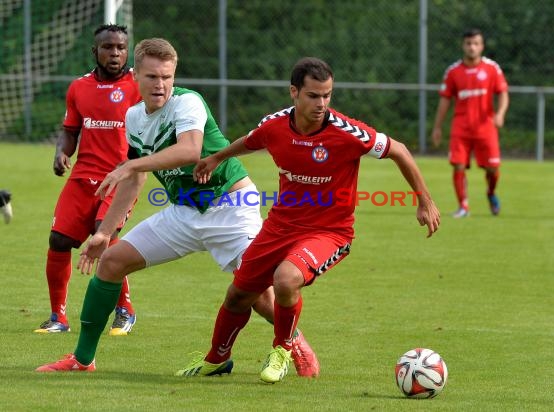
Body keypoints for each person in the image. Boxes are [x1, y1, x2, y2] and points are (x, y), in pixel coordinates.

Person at [35, 38, 319, 377]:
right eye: (152, 77)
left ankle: (295, 342)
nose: (161, 84)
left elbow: (189, 151)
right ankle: (82, 360)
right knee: (110, 261)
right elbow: (134, 181)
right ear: (136, 76)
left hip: (230, 206)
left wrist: (132, 165)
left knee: (257, 295)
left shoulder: (188, 102)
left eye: (167, 76)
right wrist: (104, 232)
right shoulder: (134, 117)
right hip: (183, 213)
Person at [178, 57, 441, 383]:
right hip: (280, 226)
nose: (322, 104)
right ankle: (217, 358)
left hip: (329, 232)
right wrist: (217, 157)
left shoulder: (347, 132)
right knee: (237, 295)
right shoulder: (275, 126)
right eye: (314, 96)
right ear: (294, 93)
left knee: (285, 280)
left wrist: (424, 200)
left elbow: (398, 150)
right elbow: (250, 142)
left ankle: (282, 349)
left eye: (327, 95)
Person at [35, 24, 141, 335]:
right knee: (58, 240)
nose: (116, 53)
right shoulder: (78, 87)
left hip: (119, 177)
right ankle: (58, 317)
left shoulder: (138, 85)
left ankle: (125, 310)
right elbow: (70, 131)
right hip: (82, 177)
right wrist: (60, 153)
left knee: (103, 236)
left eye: (121, 47)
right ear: (95, 51)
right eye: (108, 47)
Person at [431, 28, 509, 218]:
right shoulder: (453, 71)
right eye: (468, 43)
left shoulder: (492, 68)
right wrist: (437, 127)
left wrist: (500, 114)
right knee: (458, 165)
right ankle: (463, 207)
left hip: (486, 127)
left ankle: (490, 193)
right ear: (463, 45)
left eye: (476, 43)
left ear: (481, 46)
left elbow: (503, 93)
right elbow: (445, 100)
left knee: (493, 169)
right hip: (461, 127)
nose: (472, 47)